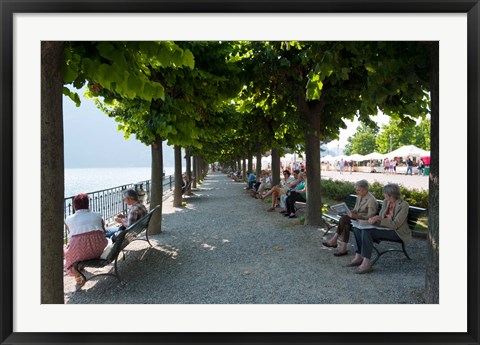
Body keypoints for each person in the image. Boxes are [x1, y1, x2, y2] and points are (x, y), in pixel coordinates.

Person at [348, 183, 411, 274]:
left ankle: (366, 263)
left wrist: (379, 219)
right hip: (384, 227)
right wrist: (374, 219)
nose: (383, 195)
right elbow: (381, 216)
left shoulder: (404, 205)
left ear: (390, 195)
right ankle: (358, 256)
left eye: (384, 193)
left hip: (397, 232)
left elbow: (396, 224)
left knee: (367, 231)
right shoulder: (386, 201)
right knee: (357, 228)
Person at [322, 180, 378, 256]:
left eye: (358, 190)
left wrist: (356, 216)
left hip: (364, 222)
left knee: (344, 219)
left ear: (365, 190)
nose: (356, 191)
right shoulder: (359, 196)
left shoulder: (371, 200)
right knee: (346, 223)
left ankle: (334, 240)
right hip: (356, 220)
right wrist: (347, 211)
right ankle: (343, 248)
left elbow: (370, 216)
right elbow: (356, 209)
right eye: (356, 189)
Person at [64, 194, 108, 286]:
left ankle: (77, 274)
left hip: (79, 253)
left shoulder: (68, 219)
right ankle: (79, 270)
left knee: (67, 249)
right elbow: (103, 232)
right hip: (97, 250)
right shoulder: (97, 216)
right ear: (88, 204)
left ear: (74, 206)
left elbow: (71, 236)